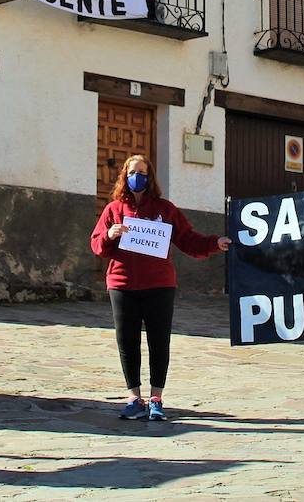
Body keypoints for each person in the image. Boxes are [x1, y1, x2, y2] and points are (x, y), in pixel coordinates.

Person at [89, 154, 230, 422]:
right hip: (122, 285)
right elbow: (97, 245)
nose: (137, 177)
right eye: (132, 172)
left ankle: (156, 398)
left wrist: (215, 242)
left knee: (159, 341)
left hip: (160, 285)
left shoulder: (165, 209)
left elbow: (188, 239)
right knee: (127, 341)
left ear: (150, 177)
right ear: (124, 175)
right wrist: (109, 235)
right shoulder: (113, 210)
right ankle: (133, 397)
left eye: (142, 172)